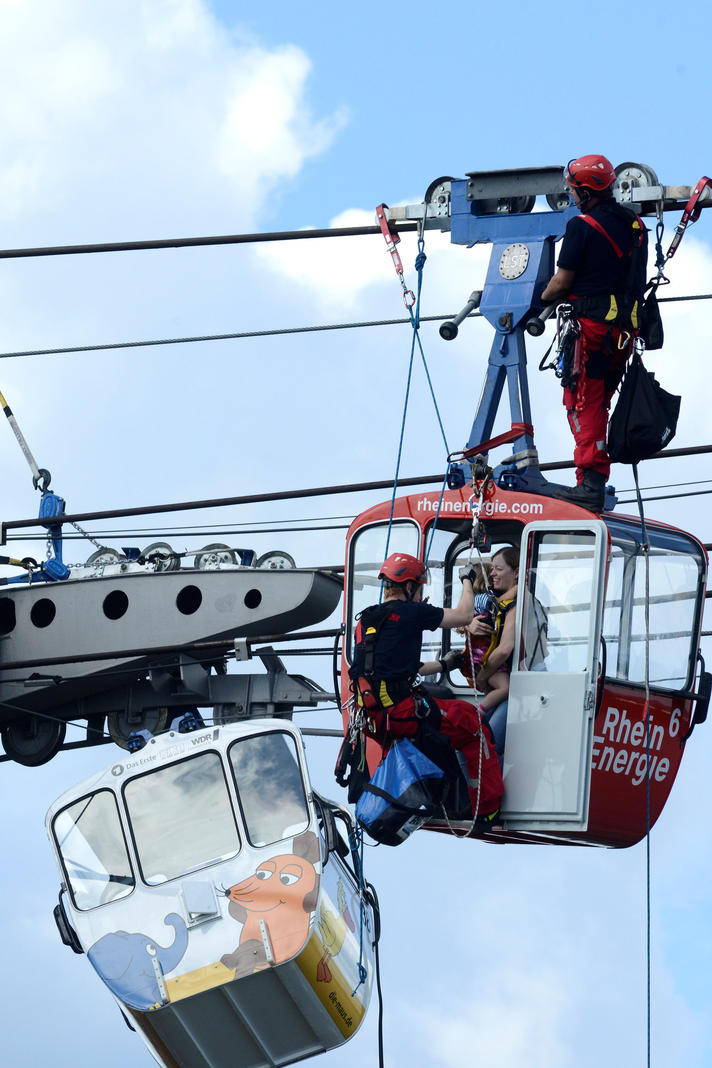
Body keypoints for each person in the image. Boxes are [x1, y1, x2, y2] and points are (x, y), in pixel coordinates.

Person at [348, 551, 503, 827]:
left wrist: (445, 665)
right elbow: (464, 615)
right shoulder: (411, 612)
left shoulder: (368, 620)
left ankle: (454, 797)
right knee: (473, 723)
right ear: (409, 587)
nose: (420, 596)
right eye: (419, 589)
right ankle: (487, 808)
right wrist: (467, 579)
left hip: (376, 719)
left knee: (444, 714)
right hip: (403, 712)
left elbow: (403, 668)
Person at [540, 154, 648, 511]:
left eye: (573, 190)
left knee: (583, 404)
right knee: (599, 402)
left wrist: (540, 297)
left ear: (585, 192)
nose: (571, 195)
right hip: (623, 335)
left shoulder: (582, 226)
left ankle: (590, 482)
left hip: (592, 331)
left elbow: (562, 282)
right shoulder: (635, 225)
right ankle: (593, 478)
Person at [466, 546, 520, 759]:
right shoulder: (496, 601)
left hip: (517, 689)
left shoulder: (517, 605)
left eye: (498, 568)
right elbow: (472, 614)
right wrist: (470, 624)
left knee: (483, 748)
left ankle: (485, 792)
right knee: (479, 746)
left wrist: (481, 677)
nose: (492, 573)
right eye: (491, 569)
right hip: (494, 673)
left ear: (516, 572)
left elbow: (505, 649)